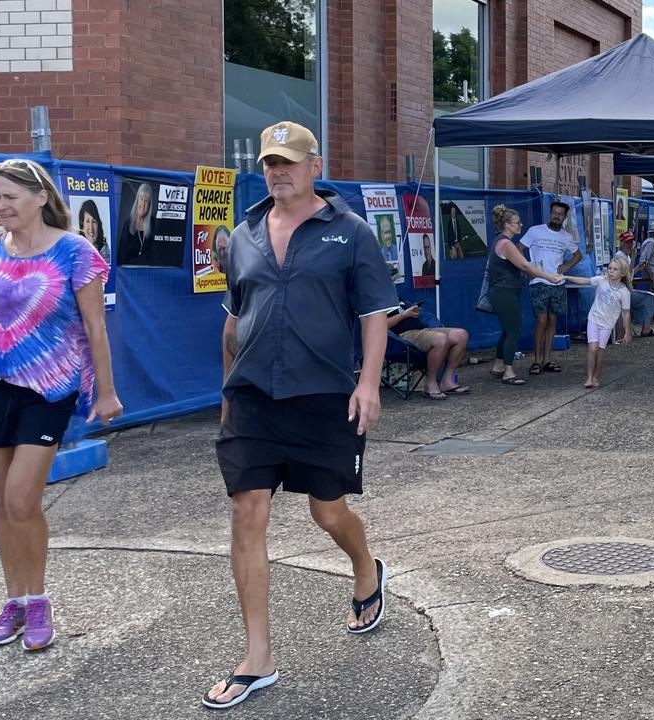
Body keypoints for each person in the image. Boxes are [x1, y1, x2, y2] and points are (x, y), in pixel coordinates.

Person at [205, 121, 399, 709]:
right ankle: (257, 658)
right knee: (247, 512)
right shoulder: (242, 236)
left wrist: (369, 383)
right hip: (254, 397)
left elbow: (373, 314)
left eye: (289, 161)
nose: (278, 171)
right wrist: (225, 392)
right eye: (269, 162)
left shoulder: (352, 233)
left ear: (316, 163)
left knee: (328, 512)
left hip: (325, 396)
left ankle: (367, 569)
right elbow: (235, 319)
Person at [0, 158, 123, 652]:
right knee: (2, 504)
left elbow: (96, 327)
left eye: (8, 196)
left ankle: (38, 602)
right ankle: (13, 601)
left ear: (39, 198)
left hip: (50, 387)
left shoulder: (75, 251)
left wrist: (107, 391)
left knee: (21, 499)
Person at [486, 205, 563, 385]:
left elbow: (525, 266)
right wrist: (549, 277)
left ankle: (498, 366)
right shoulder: (506, 244)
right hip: (504, 291)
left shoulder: (501, 241)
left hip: (506, 291)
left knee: (507, 329)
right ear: (507, 225)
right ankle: (508, 371)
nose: (520, 225)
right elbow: (526, 267)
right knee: (514, 330)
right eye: (517, 222)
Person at [521, 201, 582, 375]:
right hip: (539, 282)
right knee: (541, 320)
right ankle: (536, 361)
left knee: (552, 321)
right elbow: (518, 249)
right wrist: (528, 269)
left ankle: (547, 359)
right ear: (550, 213)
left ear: (564, 217)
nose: (556, 216)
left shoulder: (566, 237)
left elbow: (578, 255)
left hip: (557, 283)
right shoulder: (535, 231)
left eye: (560, 214)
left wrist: (566, 267)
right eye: (554, 213)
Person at [561, 256, 633, 388]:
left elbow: (626, 313)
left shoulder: (624, 292)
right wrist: (566, 277)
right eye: (609, 268)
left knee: (600, 350)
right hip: (594, 318)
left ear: (622, 273)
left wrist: (627, 331)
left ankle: (596, 376)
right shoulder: (601, 281)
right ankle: (589, 377)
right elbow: (585, 281)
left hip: (607, 324)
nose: (610, 271)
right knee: (592, 347)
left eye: (615, 269)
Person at [385, 300, 471, 400]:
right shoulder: (377, 301)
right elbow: (380, 326)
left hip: (422, 330)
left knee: (461, 335)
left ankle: (447, 381)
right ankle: (430, 384)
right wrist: (404, 315)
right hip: (401, 337)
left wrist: (413, 311)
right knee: (440, 340)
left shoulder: (395, 296)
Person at [616, 231, 654, 338]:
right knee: (649, 298)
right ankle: (646, 329)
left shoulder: (625, 256)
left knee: (648, 297)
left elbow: (630, 272)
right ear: (622, 243)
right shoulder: (620, 257)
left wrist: (639, 267)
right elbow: (626, 275)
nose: (630, 245)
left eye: (631, 242)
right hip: (622, 291)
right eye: (627, 242)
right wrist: (633, 259)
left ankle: (644, 327)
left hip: (626, 290)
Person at [117, 181, 154, 265]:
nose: (143, 204)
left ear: (149, 205)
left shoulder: (152, 224)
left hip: (146, 272)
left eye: (146, 201)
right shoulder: (128, 224)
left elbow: (153, 254)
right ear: (137, 200)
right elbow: (121, 256)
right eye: (141, 199)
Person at [76, 198, 109, 263]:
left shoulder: (105, 249)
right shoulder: (75, 248)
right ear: (82, 225)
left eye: (94, 221)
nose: (91, 228)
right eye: (87, 221)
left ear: (98, 225)